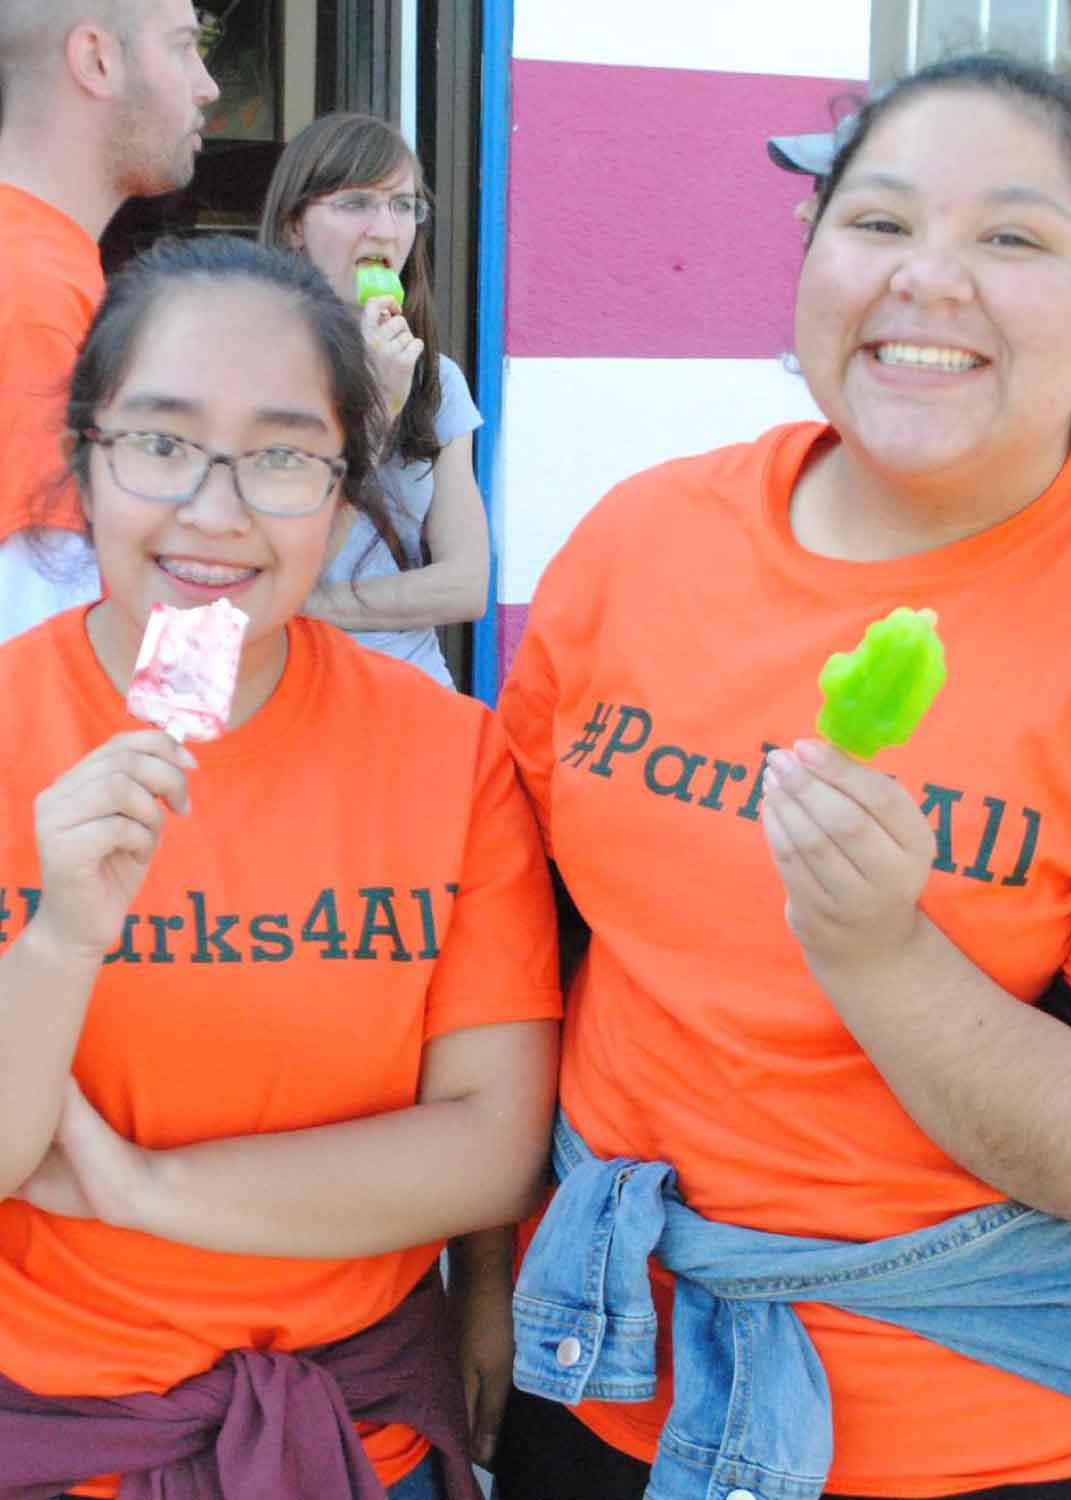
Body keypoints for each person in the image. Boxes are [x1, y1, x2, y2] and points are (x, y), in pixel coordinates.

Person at [492, 54, 1071, 1500]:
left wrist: (877, 952)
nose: (929, 279)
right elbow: (523, 955)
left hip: (984, 1439)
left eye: (1013, 237)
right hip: (601, 1380)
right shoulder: (641, 541)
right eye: (876, 223)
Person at [0, 235, 560, 1498]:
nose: (215, 510)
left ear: (347, 488)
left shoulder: (450, 756)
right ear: (85, 460)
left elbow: (491, 1148)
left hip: (360, 1441)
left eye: (283, 455)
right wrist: (58, 939)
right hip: (49, 1435)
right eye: (158, 441)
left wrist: (139, 1186)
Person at [0, 0, 220, 644]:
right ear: (96, 59)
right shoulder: (33, 294)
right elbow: (36, 635)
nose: (208, 85)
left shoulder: (41, 268)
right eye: (183, 47)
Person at [259, 112, 489, 690]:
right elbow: (276, 554)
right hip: (285, 688)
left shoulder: (437, 381)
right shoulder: (243, 371)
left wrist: (307, 605)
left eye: (404, 205)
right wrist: (377, 404)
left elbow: (466, 584)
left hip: (409, 691)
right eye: (356, 203)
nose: (385, 231)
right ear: (293, 225)